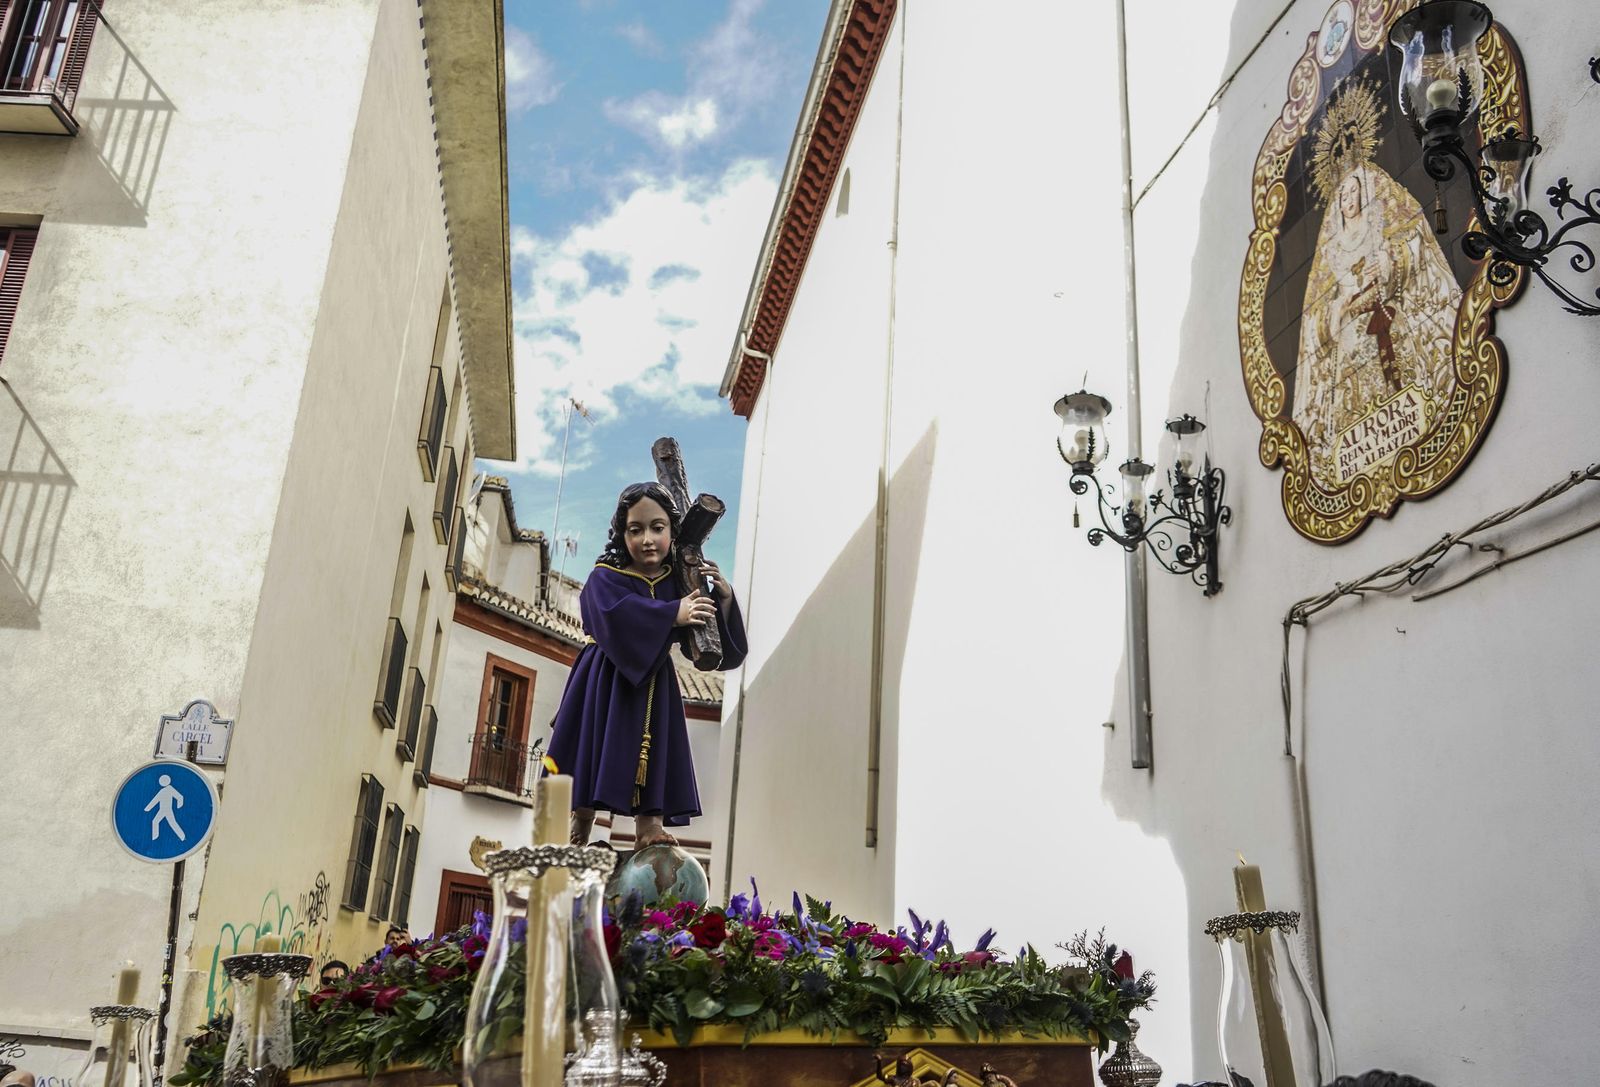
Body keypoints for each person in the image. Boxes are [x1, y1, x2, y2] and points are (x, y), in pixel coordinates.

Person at [546, 481, 747, 849]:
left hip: (655, 680)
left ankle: (649, 825)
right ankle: (582, 818)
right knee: (593, 744)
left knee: (654, 752)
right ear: (621, 534)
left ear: (673, 530)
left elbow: (709, 647)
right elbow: (610, 615)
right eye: (635, 530)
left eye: (658, 527)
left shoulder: (681, 582)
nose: (647, 539)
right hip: (604, 679)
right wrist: (673, 613)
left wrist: (723, 598)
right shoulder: (604, 577)